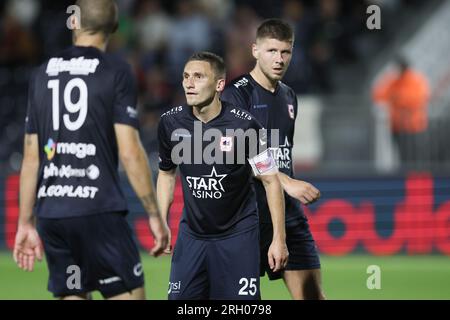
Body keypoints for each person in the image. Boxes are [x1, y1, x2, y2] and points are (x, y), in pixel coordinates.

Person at [13, 0, 169, 300]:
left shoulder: (41, 73)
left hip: (53, 214)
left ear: (74, 23)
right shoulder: (117, 71)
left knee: (73, 292)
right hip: (98, 211)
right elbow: (130, 150)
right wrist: (153, 214)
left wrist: (24, 222)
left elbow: (31, 157)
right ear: (113, 27)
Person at [157, 51, 288, 300]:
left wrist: (278, 240)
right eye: (186, 76)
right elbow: (166, 174)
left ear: (219, 84)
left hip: (237, 237)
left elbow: (271, 181)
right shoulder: (170, 123)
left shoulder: (246, 126)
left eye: (198, 76)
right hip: (192, 237)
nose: (189, 83)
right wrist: (162, 221)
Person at [221, 18, 325, 300]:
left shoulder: (289, 96)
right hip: (246, 217)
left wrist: (285, 187)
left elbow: (280, 152)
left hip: (287, 214)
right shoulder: (235, 96)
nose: (279, 59)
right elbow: (237, 157)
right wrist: (286, 182)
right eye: (271, 51)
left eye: (285, 52)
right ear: (255, 50)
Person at [372, 56, 431, 168]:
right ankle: (405, 176)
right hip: (397, 125)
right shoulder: (393, 80)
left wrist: (397, 98)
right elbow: (378, 94)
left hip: (414, 126)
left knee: (414, 156)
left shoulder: (416, 80)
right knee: (402, 155)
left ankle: (416, 177)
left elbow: (417, 99)